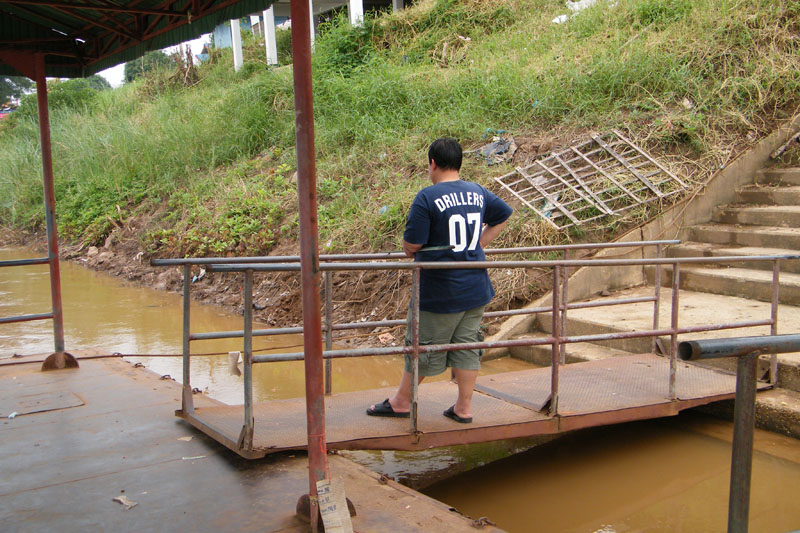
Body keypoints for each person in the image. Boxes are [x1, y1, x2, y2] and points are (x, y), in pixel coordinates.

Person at [367, 137, 512, 424]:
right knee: (468, 346)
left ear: (432, 163)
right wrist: (478, 244)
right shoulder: (478, 192)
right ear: (459, 163)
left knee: (421, 345)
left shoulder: (427, 197)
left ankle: (401, 402)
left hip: (439, 291)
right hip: (475, 289)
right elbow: (503, 215)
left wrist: (410, 248)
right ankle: (463, 408)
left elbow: (413, 244)